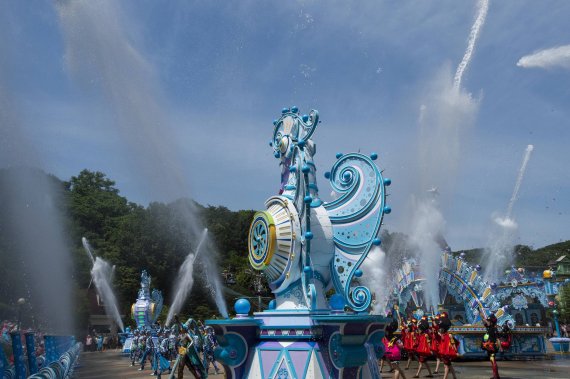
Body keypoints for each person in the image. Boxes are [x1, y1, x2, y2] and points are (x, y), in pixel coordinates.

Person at [437, 312, 458, 379]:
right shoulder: (441, 334)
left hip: (447, 353)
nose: (440, 329)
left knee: (446, 366)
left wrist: (455, 351)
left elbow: (453, 343)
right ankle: (454, 377)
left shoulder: (449, 335)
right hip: (443, 353)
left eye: (441, 329)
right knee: (449, 365)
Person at [481, 312, 501, 379]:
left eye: (489, 321)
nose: (487, 322)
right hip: (490, 347)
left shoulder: (493, 329)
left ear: (491, 322)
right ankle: (496, 375)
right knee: (492, 360)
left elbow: (498, 339)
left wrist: (500, 347)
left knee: (493, 360)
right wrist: (480, 311)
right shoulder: (490, 327)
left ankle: (495, 376)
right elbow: (484, 319)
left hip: (492, 347)